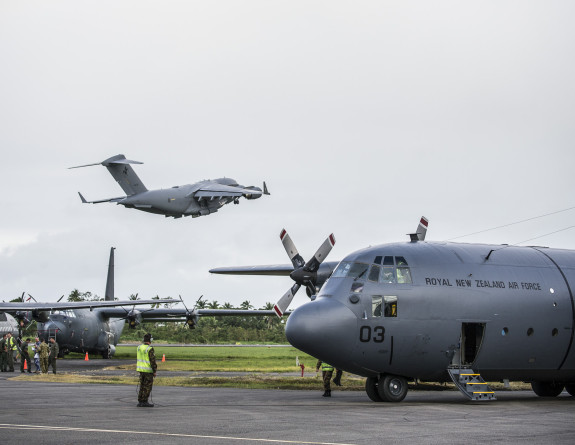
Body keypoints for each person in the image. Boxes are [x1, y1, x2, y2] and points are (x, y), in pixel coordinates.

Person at [136, 333, 157, 407]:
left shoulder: (139, 347)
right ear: (150, 340)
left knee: (142, 385)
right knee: (147, 386)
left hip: (141, 370)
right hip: (148, 371)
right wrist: (154, 371)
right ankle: (144, 401)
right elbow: (152, 361)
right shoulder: (149, 349)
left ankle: (140, 400)